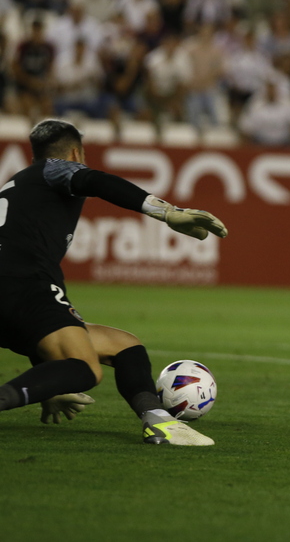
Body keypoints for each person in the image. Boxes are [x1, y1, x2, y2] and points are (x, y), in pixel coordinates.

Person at [0, 120, 228, 446]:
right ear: (76, 153)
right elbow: (95, 180)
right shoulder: (55, 170)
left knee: (125, 345)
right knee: (84, 368)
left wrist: (46, 388)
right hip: (24, 282)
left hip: (16, 290)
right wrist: (167, 212)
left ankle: (157, 420)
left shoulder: (18, 186)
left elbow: (35, 325)